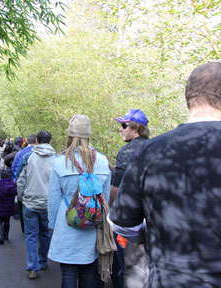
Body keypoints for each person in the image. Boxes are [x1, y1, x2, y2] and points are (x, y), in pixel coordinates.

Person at [109, 62, 221, 287]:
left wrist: (150, 235)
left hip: (169, 276)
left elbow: (122, 223)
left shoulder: (148, 152)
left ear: (188, 97)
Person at [47, 115, 111, 288]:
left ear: (70, 135)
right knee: (88, 270)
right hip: (92, 225)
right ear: (88, 134)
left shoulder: (60, 162)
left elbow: (53, 199)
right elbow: (105, 198)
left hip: (66, 223)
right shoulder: (103, 162)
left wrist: (52, 225)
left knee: (68, 271)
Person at [98, 109, 150, 288]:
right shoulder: (155, 147)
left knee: (125, 267)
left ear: (136, 129)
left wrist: (111, 213)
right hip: (151, 218)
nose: (120, 129)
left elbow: (116, 188)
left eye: (123, 125)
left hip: (129, 218)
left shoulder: (127, 151)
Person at [16, 130, 56, 280]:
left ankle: (32, 268)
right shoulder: (58, 159)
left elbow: (20, 180)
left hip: (30, 202)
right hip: (48, 203)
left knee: (31, 235)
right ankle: (43, 261)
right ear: (50, 141)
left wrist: (21, 197)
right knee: (45, 234)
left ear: (37, 142)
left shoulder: (28, 156)